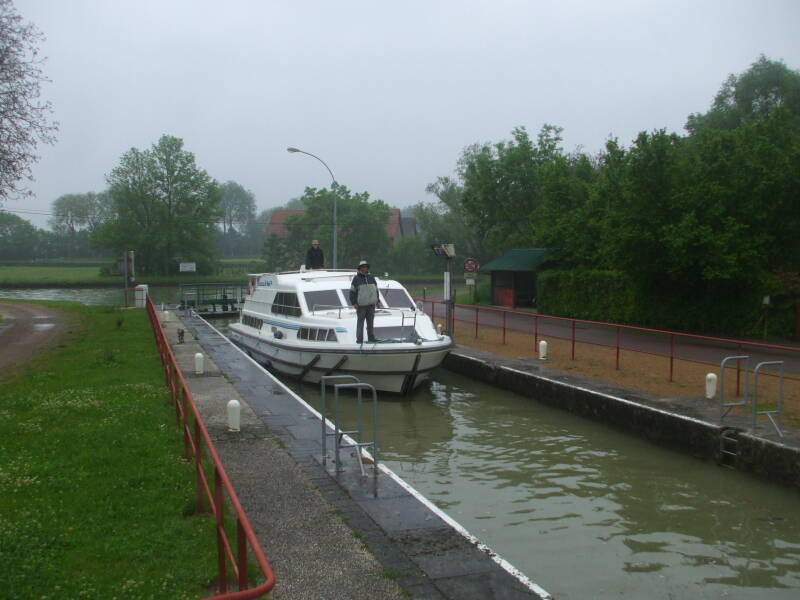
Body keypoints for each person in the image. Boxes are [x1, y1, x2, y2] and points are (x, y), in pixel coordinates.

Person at [349, 260, 378, 344]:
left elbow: (376, 290)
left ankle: (371, 338)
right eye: (363, 267)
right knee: (360, 324)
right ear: (360, 268)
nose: (364, 268)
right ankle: (359, 340)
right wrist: (354, 303)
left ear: (367, 268)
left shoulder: (371, 277)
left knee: (370, 323)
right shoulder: (356, 279)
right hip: (361, 306)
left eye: (365, 266)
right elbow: (352, 292)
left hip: (371, 305)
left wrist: (378, 300)